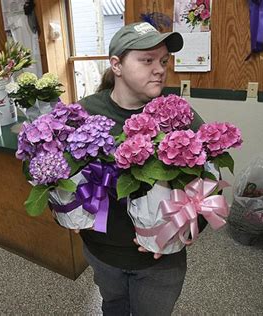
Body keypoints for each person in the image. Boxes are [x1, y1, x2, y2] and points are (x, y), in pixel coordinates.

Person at [77, 22, 206, 316]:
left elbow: (209, 181)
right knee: (113, 307)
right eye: (147, 60)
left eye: (162, 61)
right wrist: (65, 213)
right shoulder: (86, 112)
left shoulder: (177, 116)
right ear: (117, 65)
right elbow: (61, 178)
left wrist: (182, 230)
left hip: (160, 262)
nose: (159, 69)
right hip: (102, 253)